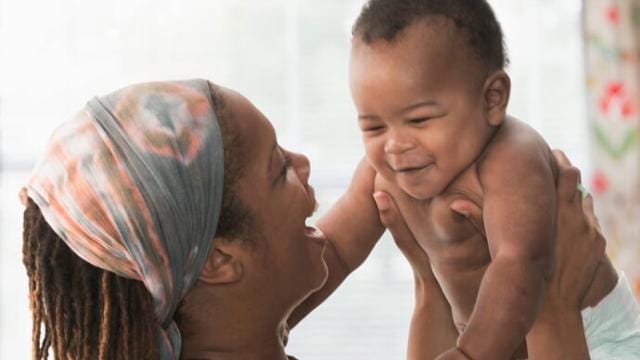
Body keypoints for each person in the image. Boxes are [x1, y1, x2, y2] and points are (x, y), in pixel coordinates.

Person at [21, 79, 618, 360]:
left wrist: (432, 281)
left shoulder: (211, 333)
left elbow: (340, 235)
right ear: (222, 260)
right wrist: (552, 308)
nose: (305, 165)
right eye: (279, 168)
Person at [294, 0, 637, 358]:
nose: (395, 145)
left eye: (419, 120)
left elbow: (519, 264)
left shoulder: (511, 158)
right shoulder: (382, 171)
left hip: (594, 338)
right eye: (373, 126)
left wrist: (469, 354)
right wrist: (281, 316)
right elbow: (333, 250)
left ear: (492, 99)